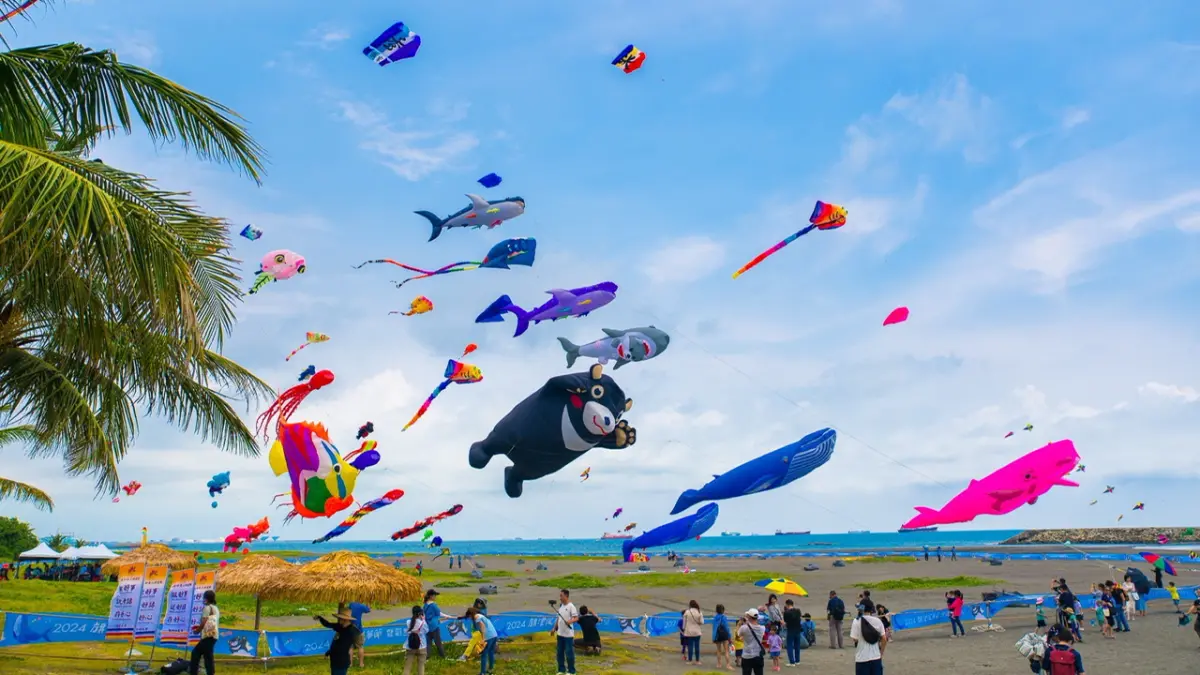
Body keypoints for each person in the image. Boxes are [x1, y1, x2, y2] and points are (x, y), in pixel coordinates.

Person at [315, 609, 361, 675]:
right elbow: (328, 624)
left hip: (341, 661)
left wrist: (331, 651)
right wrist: (320, 618)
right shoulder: (340, 627)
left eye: (340, 618)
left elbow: (342, 646)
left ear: (345, 619)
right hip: (335, 661)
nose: (339, 620)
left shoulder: (352, 631)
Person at [849, 600, 886, 675]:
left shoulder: (857, 621)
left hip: (862, 658)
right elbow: (884, 638)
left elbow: (855, 639)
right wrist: (881, 653)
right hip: (876, 657)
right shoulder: (878, 621)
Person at [189, 590, 219, 675]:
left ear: (206, 598)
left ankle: (193, 672)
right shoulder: (215, 608)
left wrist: (197, 630)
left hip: (208, 636)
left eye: (204, 597)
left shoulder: (207, 608)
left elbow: (204, 621)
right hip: (214, 636)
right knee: (208, 657)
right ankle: (210, 673)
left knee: (195, 653)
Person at [551, 588, 579, 675]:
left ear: (566, 596)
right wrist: (554, 628)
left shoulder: (571, 606)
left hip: (568, 635)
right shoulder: (561, 606)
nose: (560, 598)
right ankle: (561, 670)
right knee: (559, 653)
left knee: (569, 653)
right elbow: (558, 618)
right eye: (560, 596)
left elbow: (576, 618)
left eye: (561, 596)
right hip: (560, 634)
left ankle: (571, 671)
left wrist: (570, 621)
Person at [465, 607, 497, 675]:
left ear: (471, 614)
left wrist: (483, 638)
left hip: (488, 637)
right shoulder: (481, 615)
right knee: (491, 653)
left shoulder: (476, 617)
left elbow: (482, 626)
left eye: (469, 616)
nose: (470, 618)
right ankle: (491, 670)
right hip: (494, 635)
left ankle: (482, 673)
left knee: (484, 655)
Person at [738, 608, 766, 675]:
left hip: (747, 656)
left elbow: (739, 634)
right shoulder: (762, 628)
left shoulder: (744, 628)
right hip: (758, 655)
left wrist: (741, 623)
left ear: (749, 617)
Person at [403, 605, 427, 675]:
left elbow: (407, 632)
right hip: (422, 647)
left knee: (407, 667)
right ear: (420, 613)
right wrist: (423, 620)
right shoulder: (423, 623)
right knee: (421, 666)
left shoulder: (408, 622)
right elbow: (427, 630)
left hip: (410, 646)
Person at [422, 590, 444, 659]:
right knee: (438, 642)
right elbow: (439, 613)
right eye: (435, 595)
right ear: (431, 596)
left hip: (427, 626)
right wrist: (450, 617)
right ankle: (443, 656)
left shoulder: (425, 605)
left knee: (428, 643)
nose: (435, 597)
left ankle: (427, 657)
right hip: (434, 626)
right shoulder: (433, 605)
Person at [348, 601, 371, 667]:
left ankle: (350, 664)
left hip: (350, 630)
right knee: (360, 647)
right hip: (359, 630)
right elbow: (368, 610)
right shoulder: (361, 606)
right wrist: (368, 603)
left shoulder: (351, 604)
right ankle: (361, 664)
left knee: (350, 647)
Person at [782, 598, 803, 666]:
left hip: (791, 630)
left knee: (790, 645)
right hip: (797, 630)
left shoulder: (786, 613)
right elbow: (799, 619)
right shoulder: (798, 611)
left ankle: (792, 661)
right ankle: (797, 660)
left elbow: (785, 621)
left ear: (787, 605)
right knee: (797, 645)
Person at [683, 599, 704, 665]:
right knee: (697, 646)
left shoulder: (687, 612)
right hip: (697, 631)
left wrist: (684, 629)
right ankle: (697, 661)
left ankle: (690, 660)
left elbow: (684, 622)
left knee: (690, 646)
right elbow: (702, 622)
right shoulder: (699, 612)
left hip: (689, 631)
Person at [712, 604, 732, 670]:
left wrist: (714, 637)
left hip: (717, 635)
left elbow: (714, 628)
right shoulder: (724, 617)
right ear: (723, 610)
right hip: (724, 635)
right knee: (726, 650)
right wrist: (729, 636)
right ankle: (728, 665)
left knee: (718, 650)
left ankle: (719, 664)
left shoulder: (715, 618)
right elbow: (726, 627)